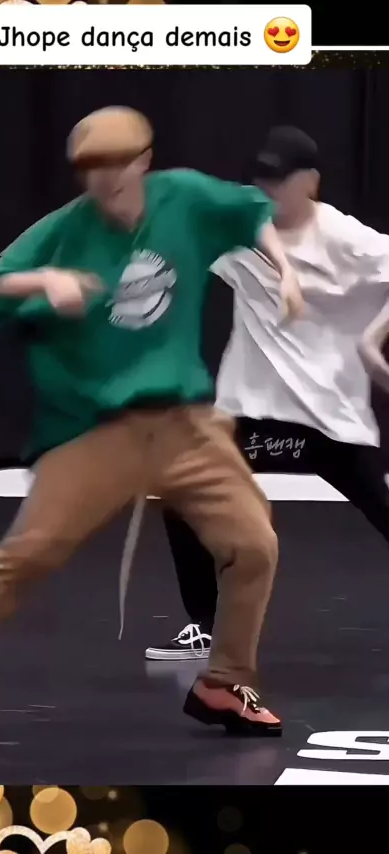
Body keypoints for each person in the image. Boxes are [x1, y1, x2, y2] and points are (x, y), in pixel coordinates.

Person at [0, 107, 304, 742]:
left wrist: (283, 269)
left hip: (185, 425)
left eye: (118, 164)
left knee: (254, 544)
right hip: (97, 429)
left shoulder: (184, 196)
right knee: (28, 553)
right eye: (92, 168)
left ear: (144, 160)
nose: (106, 178)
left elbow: (250, 211)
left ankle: (225, 683)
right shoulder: (64, 230)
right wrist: (43, 279)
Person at [146, 125, 389, 663]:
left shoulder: (343, 237)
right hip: (254, 414)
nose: (268, 189)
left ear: (311, 182)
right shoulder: (239, 228)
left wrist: (372, 343)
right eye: (262, 178)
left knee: (381, 502)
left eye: (281, 179)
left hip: (327, 418)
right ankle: (205, 626)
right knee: (180, 488)